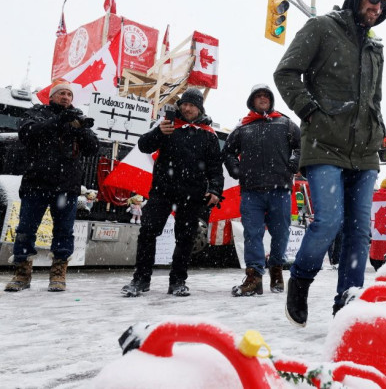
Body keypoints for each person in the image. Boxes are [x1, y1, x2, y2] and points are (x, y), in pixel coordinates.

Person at [274, 0, 386, 326]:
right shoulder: (321, 28)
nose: (377, 6)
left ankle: (349, 305)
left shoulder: (376, 49)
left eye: (384, 3)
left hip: (365, 151)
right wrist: (310, 111)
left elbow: (375, 99)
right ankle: (301, 278)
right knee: (328, 221)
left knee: (360, 231)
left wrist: (381, 134)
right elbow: (285, 73)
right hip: (325, 144)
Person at [121, 88, 223, 297]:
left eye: (192, 105)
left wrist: (214, 189)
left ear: (199, 108)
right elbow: (143, 146)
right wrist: (159, 132)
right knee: (148, 232)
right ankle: (141, 279)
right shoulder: (166, 125)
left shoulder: (208, 134)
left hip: (192, 194)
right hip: (162, 190)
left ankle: (177, 281)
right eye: (184, 104)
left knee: (186, 238)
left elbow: (215, 168)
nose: (187, 108)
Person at [5, 80, 99, 292]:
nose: (66, 97)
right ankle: (21, 274)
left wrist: (80, 129)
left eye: (69, 94)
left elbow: (93, 148)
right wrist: (59, 121)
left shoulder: (77, 117)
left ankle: (58, 274)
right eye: (62, 93)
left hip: (67, 186)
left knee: (64, 232)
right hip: (35, 184)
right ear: (52, 97)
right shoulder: (37, 112)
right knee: (25, 230)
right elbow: (27, 133)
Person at [223, 84, 301, 297]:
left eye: (266, 95)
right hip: (251, 190)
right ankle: (254, 277)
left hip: (280, 189)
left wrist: (293, 164)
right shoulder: (243, 127)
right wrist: (236, 170)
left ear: (271, 99)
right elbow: (228, 152)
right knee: (252, 234)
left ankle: (276, 270)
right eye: (258, 96)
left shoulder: (286, 124)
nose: (262, 98)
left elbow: (300, 146)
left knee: (281, 233)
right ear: (252, 101)